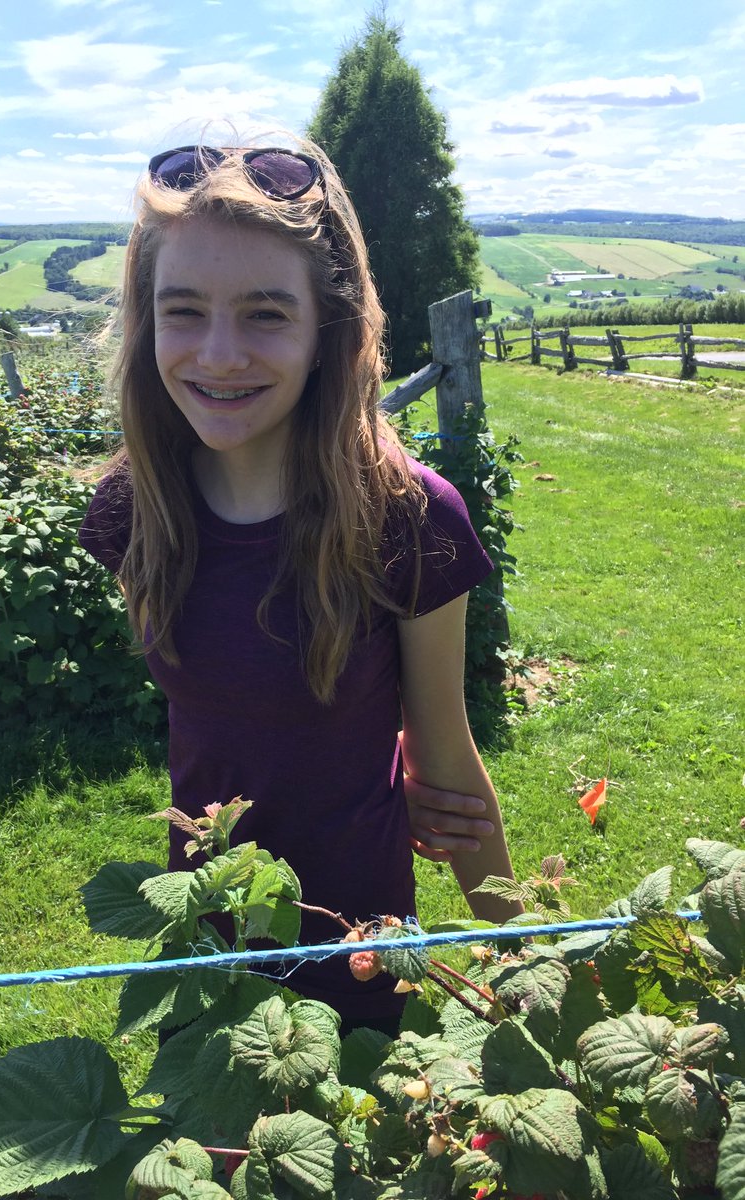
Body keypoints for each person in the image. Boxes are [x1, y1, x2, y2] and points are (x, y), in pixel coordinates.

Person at [79, 138, 521, 1035]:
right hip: (208, 942)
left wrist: (528, 979)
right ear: (146, 322)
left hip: (360, 952)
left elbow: (445, 763)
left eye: (267, 314)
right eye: (184, 310)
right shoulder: (136, 508)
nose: (219, 353)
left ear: (332, 327)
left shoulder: (408, 518)